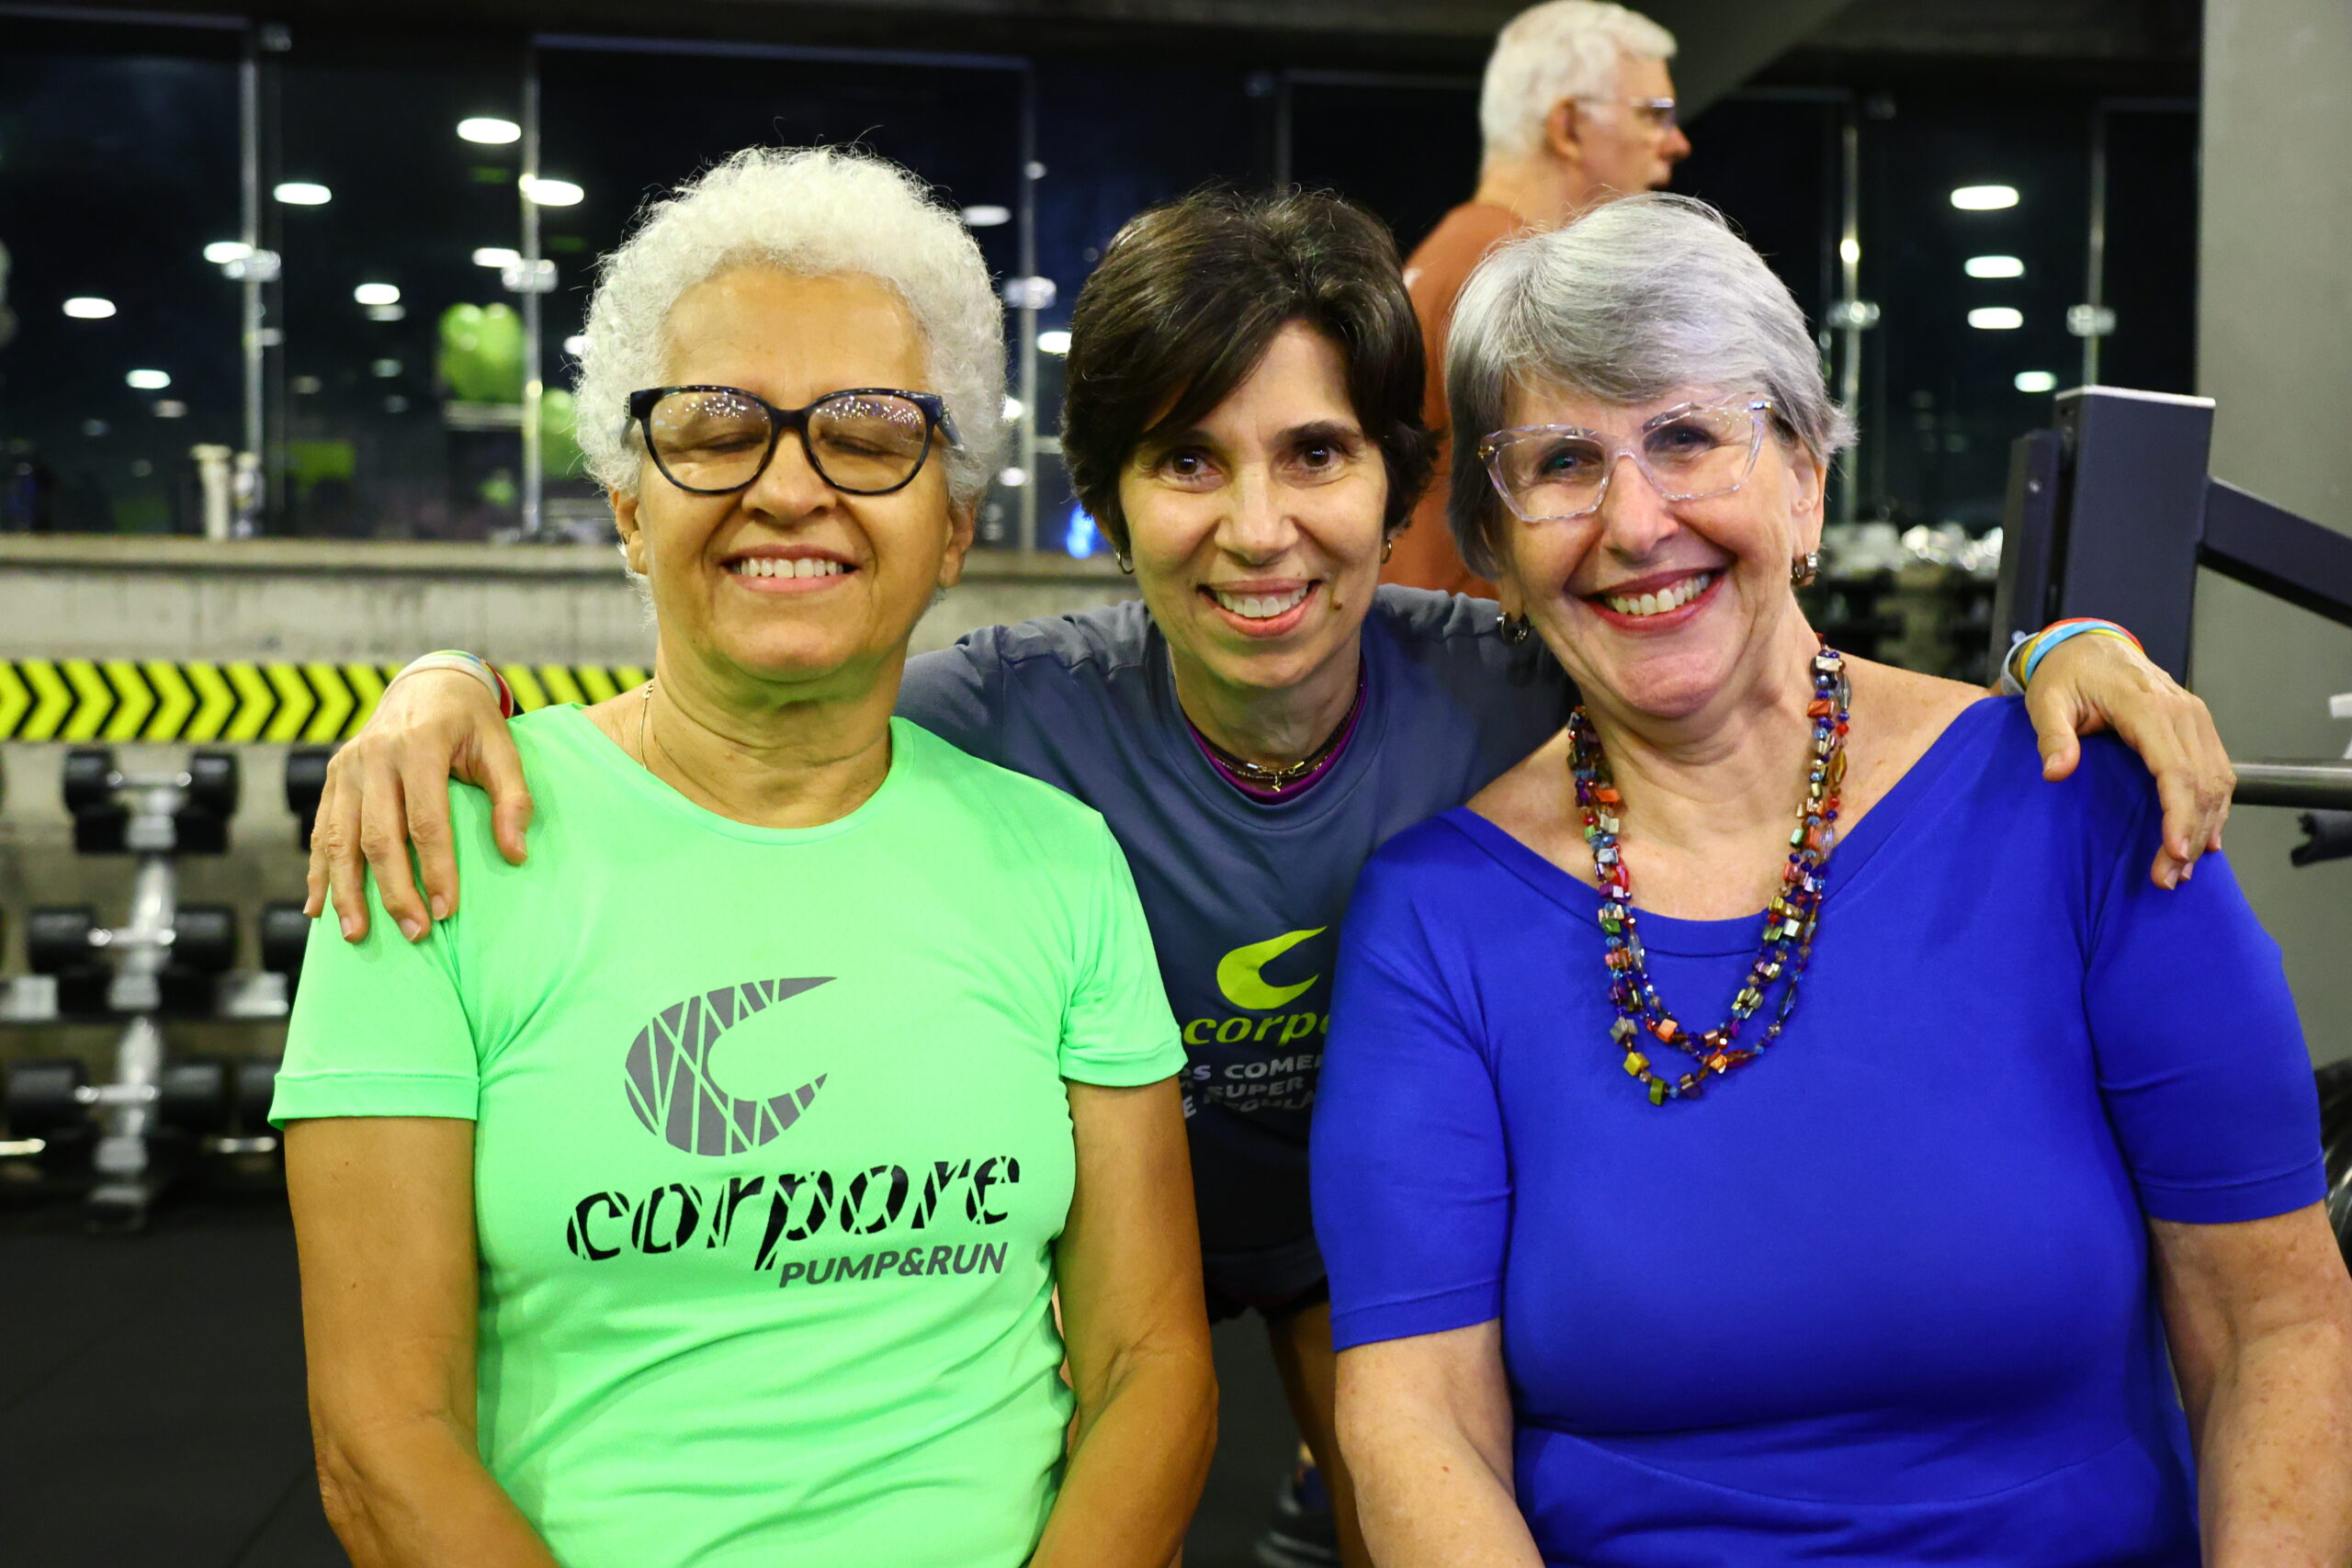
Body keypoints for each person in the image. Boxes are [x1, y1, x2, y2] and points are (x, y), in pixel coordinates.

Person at [301, 187, 2236, 1568]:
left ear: (1402, 494)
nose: (1256, 528)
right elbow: (746, 705)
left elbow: (1730, 645)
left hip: (1350, 1235)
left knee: (1398, 1478)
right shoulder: (997, 729)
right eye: (1183, 462)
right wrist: (444, 690)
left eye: (1313, 454)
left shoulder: (1501, 684)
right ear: (1097, 503)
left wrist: (2047, 657)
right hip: (1103, 1211)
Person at [1314, 193, 2352, 1566]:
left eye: (1688, 438)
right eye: (1562, 462)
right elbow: (1418, 1419)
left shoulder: (2080, 804)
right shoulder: (1435, 921)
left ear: (1805, 478)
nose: (1634, 520)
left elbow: (2276, 1322)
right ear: (1497, 552)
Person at [271, 146, 1214, 1568]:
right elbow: (380, 1435)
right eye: (717, 429)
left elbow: (1152, 1363)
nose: (788, 486)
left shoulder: (1062, 862)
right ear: (629, 504)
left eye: (869, 433)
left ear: (953, 525)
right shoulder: (433, 858)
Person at [1385, 0, 1686, 597]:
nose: (1676, 142)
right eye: (1653, 115)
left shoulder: (1450, 255)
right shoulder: (1509, 280)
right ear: (1568, 127)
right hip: (1487, 640)